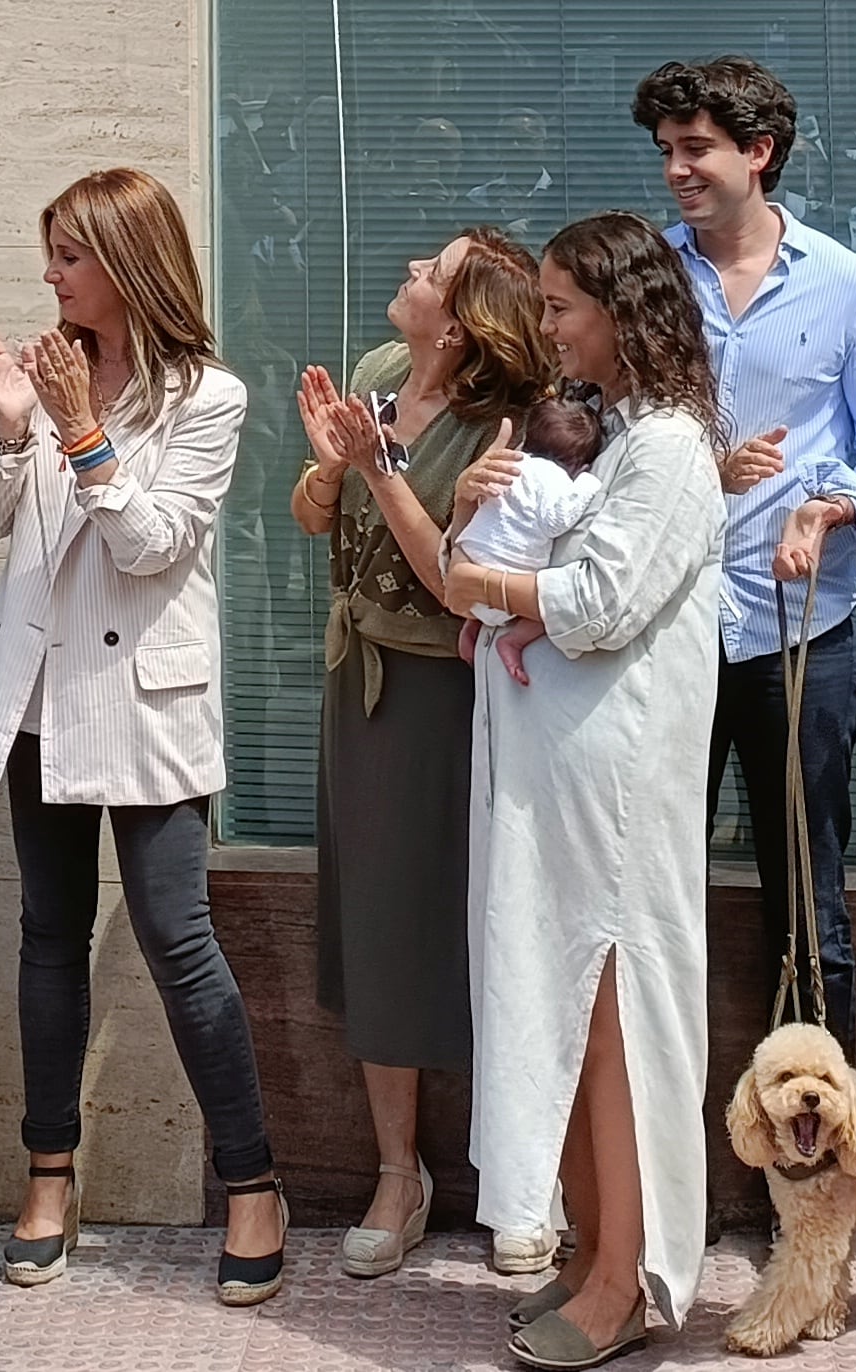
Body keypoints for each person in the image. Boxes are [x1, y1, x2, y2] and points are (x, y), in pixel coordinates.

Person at [371, 210, 725, 1370]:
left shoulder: (669, 446)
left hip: (612, 796)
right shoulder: (621, 439)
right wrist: (502, 573)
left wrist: (483, 579)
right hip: (551, 782)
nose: (550, 326)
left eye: (565, 306)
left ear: (623, 314)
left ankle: (626, 1278)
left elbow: (602, 603)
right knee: (558, 1014)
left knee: (610, 1025)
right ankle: (584, 1254)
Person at [0, 168, 281, 1303]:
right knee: (49, 933)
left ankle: (252, 1184)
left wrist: (83, 434)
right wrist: (9, 429)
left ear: (126, 264)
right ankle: (48, 1174)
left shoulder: (211, 397)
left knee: (175, 937)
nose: (49, 276)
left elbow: (152, 545)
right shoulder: (44, 373)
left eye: (68, 256)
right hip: (40, 691)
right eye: (48, 254)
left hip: (143, 697)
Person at [637, 56, 856, 1060]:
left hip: (798, 635)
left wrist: (831, 505)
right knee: (647, 898)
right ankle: (664, 1176)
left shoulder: (849, 287)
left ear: (757, 154)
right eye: (667, 151)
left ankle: (807, 1183)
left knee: (806, 904)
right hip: (658, 627)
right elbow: (596, 425)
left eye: (696, 149)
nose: (676, 169)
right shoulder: (642, 282)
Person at [286, 230, 548, 1279]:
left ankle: (524, 1174)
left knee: (495, 927)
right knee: (385, 928)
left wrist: (379, 468)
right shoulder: (376, 376)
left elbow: (452, 582)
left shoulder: (512, 425)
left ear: (467, 315)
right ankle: (398, 1173)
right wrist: (328, 469)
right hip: (364, 685)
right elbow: (318, 519)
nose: (405, 275)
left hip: (463, 691)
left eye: (428, 274)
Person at [453, 387, 608, 681]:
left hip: (469, 554)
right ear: (576, 463)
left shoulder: (511, 461)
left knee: (486, 604)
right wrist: (588, 482)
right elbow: (555, 521)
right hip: (506, 568)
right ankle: (512, 641)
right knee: (548, 605)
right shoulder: (554, 477)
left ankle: (473, 622)